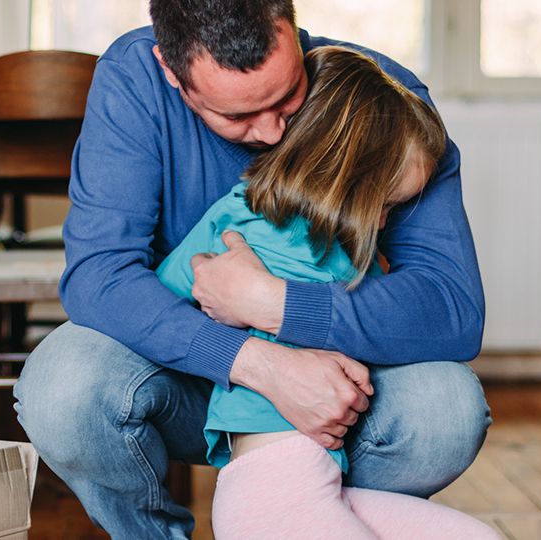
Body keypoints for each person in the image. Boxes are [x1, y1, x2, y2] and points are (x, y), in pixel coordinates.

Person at [14, 1, 491, 537]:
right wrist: (258, 364)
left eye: (289, 96)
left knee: (447, 410)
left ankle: (316, 511)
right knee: (63, 389)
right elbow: (99, 277)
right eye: (237, 116)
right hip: (184, 376)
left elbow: (452, 309)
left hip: (339, 395)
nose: (270, 134)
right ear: (172, 73)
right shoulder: (133, 79)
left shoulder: (377, 104)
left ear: (290, 24)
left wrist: (274, 303)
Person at [155, 45, 498, 540]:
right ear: (342, 177)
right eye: (381, 204)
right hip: (271, 489)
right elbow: (161, 305)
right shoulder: (308, 248)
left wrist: (235, 292)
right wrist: (233, 334)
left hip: (321, 480)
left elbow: (167, 286)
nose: (382, 223)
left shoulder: (239, 222)